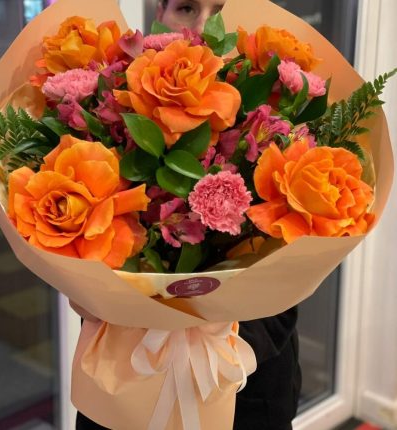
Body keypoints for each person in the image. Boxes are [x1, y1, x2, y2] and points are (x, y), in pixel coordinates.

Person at [76, 1, 301, 429]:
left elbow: (290, 283)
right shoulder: (117, 104)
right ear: (159, 12)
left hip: (247, 387)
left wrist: (204, 330)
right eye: (185, 7)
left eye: (221, 9)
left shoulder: (278, 120)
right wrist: (92, 294)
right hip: (125, 382)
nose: (203, 27)